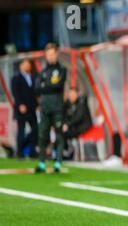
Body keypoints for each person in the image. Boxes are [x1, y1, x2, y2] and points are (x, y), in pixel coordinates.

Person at [34, 43, 67, 173]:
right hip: (45, 108)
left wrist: (45, 86)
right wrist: (47, 86)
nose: (50, 57)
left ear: (56, 54)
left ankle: (58, 162)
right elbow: (37, 88)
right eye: (48, 55)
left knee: (59, 134)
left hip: (58, 107)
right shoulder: (42, 71)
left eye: (52, 54)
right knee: (42, 135)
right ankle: (42, 162)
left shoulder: (62, 70)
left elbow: (58, 86)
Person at [11, 59, 38, 158]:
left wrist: (36, 104)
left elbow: (34, 93)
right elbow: (15, 93)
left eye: (29, 64)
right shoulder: (16, 78)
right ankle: (20, 152)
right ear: (21, 65)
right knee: (21, 131)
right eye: (25, 64)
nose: (27, 66)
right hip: (21, 109)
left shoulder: (33, 77)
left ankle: (32, 151)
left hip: (32, 108)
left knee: (35, 129)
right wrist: (20, 105)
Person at [62, 87, 92, 158]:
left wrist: (67, 125)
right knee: (61, 131)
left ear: (77, 95)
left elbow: (78, 117)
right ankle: (66, 151)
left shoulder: (81, 103)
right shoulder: (68, 103)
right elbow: (65, 115)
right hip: (75, 126)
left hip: (83, 126)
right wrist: (64, 124)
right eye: (70, 96)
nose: (70, 97)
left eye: (72, 95)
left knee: (66, 133)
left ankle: (68, 152)